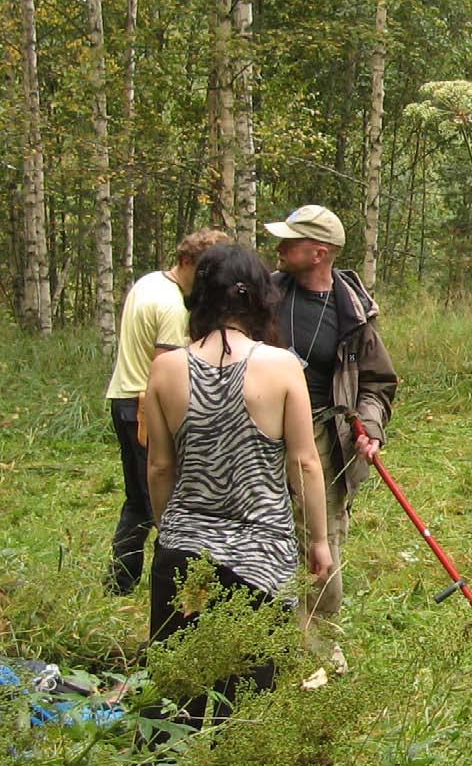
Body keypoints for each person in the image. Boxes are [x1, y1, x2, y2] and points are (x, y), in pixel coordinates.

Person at [143, 244, 331, 728]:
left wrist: (171, 533)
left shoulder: (164, 369)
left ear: (200, 296)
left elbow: (161, 468)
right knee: (246, 701)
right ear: (260, 299)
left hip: (184, 553)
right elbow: (306, 463)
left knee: (173, 696)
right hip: (261, 558)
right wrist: (319, 540)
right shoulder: (283, 367)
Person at [263, 205, 398, 634]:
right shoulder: (263, 297)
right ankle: (259, 634)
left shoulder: (354, 315)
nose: (280, 247)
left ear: (319, 252)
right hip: (261, 432)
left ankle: (318, 642)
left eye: (291, 240)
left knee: (319, 537)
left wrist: (370, 429)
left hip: (323, 436)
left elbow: (377, 383)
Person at [104, 227, 228, 594]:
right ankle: (174, 583)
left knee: (137, 498)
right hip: (144, 409)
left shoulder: (149, 283)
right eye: (203, 272)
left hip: (123, 397)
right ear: (187, 261)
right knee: (165, 502)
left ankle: (120, 581)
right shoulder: (173, 308)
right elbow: (169, 373)